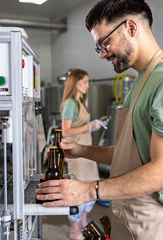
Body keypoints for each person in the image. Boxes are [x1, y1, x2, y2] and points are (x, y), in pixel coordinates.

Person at [37, 1, 163, 239]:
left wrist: (89, 190)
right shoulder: (142, 81)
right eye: (99, 47)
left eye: (104, 43)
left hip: (155, 225)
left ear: (131, 27)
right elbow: (128, 154)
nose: (103, 54)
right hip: (131, 215)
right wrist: (82, 149)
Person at [60, 69, 105, 240]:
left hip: (86, 152)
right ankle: (74, 230)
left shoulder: (80, 101)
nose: (87, 85)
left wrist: (95, 124)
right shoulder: (70, 103)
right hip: (76, 153)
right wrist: (89, 127)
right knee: (78, 190)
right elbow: (66, 130)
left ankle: (83, 222)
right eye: (84, 82)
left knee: (90, 186)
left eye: (87, 82)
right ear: (75, 82)